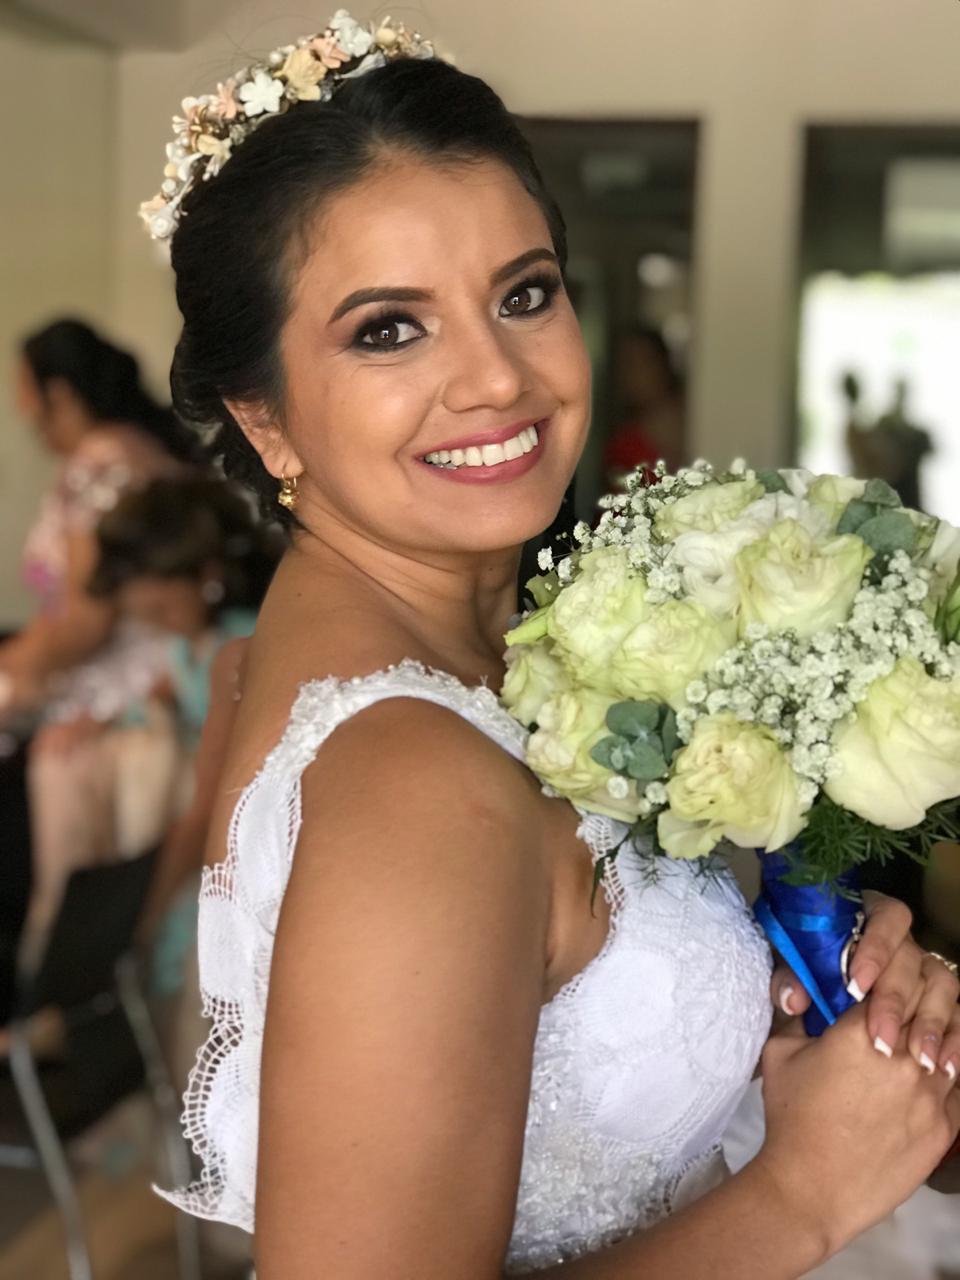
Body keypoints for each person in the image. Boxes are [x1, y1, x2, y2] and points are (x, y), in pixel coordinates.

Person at [142, 19, 960, 1278]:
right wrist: (802, 1193)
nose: (496, 379)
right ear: (264, 419)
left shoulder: (488, 658)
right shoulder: (416, 778)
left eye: (524, 294)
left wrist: (799, 987)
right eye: (388, 328)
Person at [4, 319, 199, 960]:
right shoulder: (135, 451)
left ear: (57, 392)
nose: (21, 408)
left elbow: (87, 618)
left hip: (111, 702)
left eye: (23, 388)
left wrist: (12, 672)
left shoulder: (101, 464)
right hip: (131, 686)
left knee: (76, 895)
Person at [603, 325, 685, 491]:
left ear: (663, 364)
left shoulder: (696, 417)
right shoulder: (623, 447)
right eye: (626, 366)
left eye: (642, 363)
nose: (633, 374)